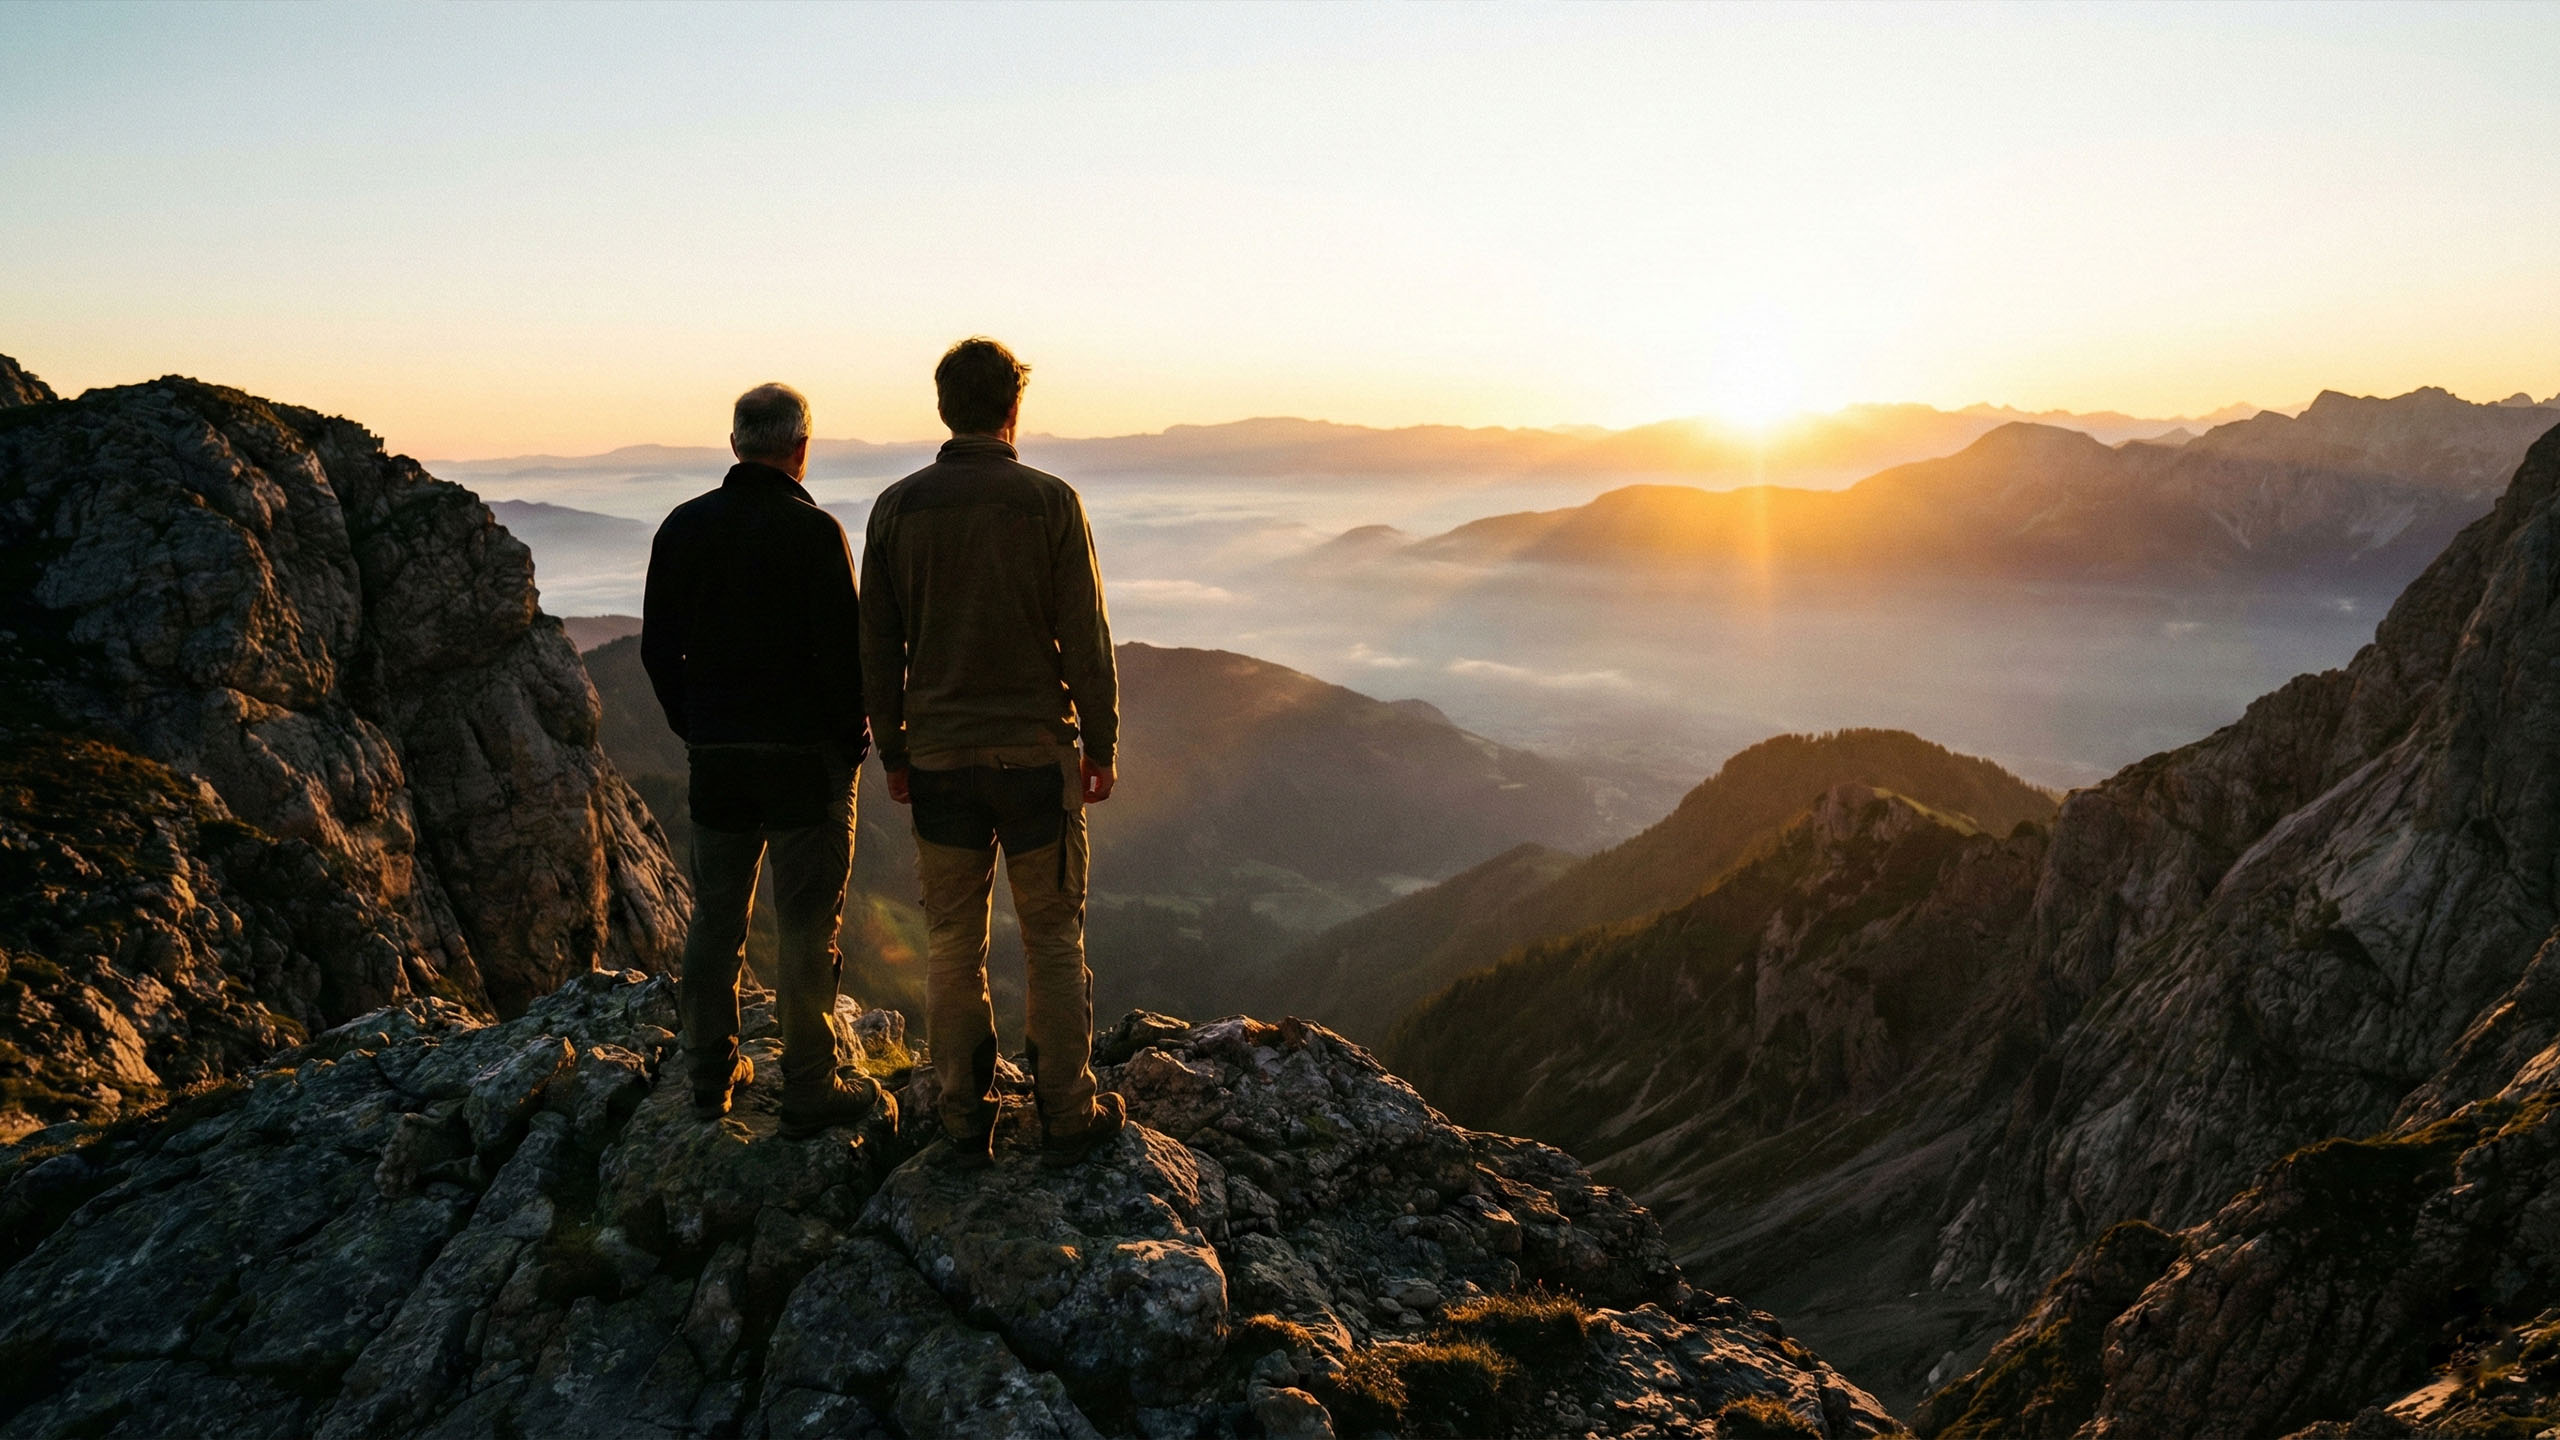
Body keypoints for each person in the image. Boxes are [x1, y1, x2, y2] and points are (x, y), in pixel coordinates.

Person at [861, 337, 1125, 1168]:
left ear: (944, 408)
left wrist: (895, 752)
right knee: (1051, 938)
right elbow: (1086, 637)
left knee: (950, 943)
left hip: (940, 761)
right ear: (1014, 408)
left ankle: (962, 1118)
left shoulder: (896, 509)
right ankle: (1067, 1115)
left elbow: (877, 646)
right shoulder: (1051, 502)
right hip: (1034, 760)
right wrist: (1103, 741)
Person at [642, 382, 893, 1139]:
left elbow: (660, 651)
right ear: (800, 448)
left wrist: (698, 727)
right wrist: (850, 742)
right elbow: (847, 661)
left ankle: (709, 1078)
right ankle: (810, 1085)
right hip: (802, 763)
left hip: (718, 757)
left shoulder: (682, 527)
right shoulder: (814, 533)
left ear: (734, 445)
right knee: (808, 924)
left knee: (716, 920)